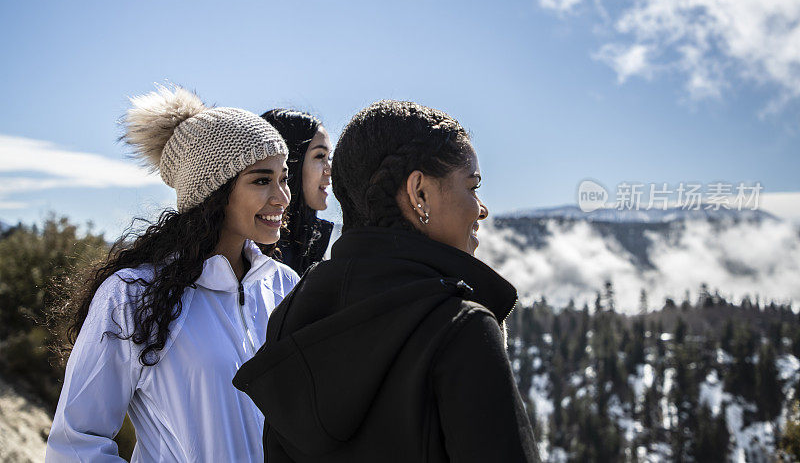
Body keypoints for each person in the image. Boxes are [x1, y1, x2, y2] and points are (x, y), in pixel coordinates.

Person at [234, 100, 540, 462]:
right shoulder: (460, 329)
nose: (481, 209)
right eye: (472, 186)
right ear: (419, 193)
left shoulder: (292, 320)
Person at [46, 85, 300, 462]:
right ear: (213, 190)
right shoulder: (132, 295)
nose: (282, 196)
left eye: (284, 177)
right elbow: (76, 442)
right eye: (262, 180)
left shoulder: (286, 286)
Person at [261, 109, 334, 275]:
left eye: (329, 157)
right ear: (290, 162)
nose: (329, 170)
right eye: (319, 156)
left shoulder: (314, 244)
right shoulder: (253, 253)